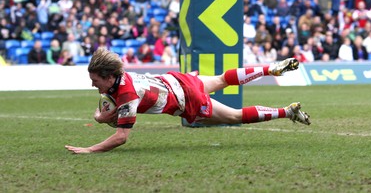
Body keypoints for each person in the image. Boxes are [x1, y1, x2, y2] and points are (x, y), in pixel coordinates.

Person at [65, 48, 310, 154]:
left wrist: (90, 149)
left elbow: (121, 137)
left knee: (235, 116)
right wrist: (101, 117)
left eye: (95, 80)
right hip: (179, 81)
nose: (92, 84)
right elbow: (118, 108)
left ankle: (287, 112)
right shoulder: (124, 77)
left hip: (186, 99)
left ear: (109, 77)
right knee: (224, 78)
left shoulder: (127, 96)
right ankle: (270, 68)